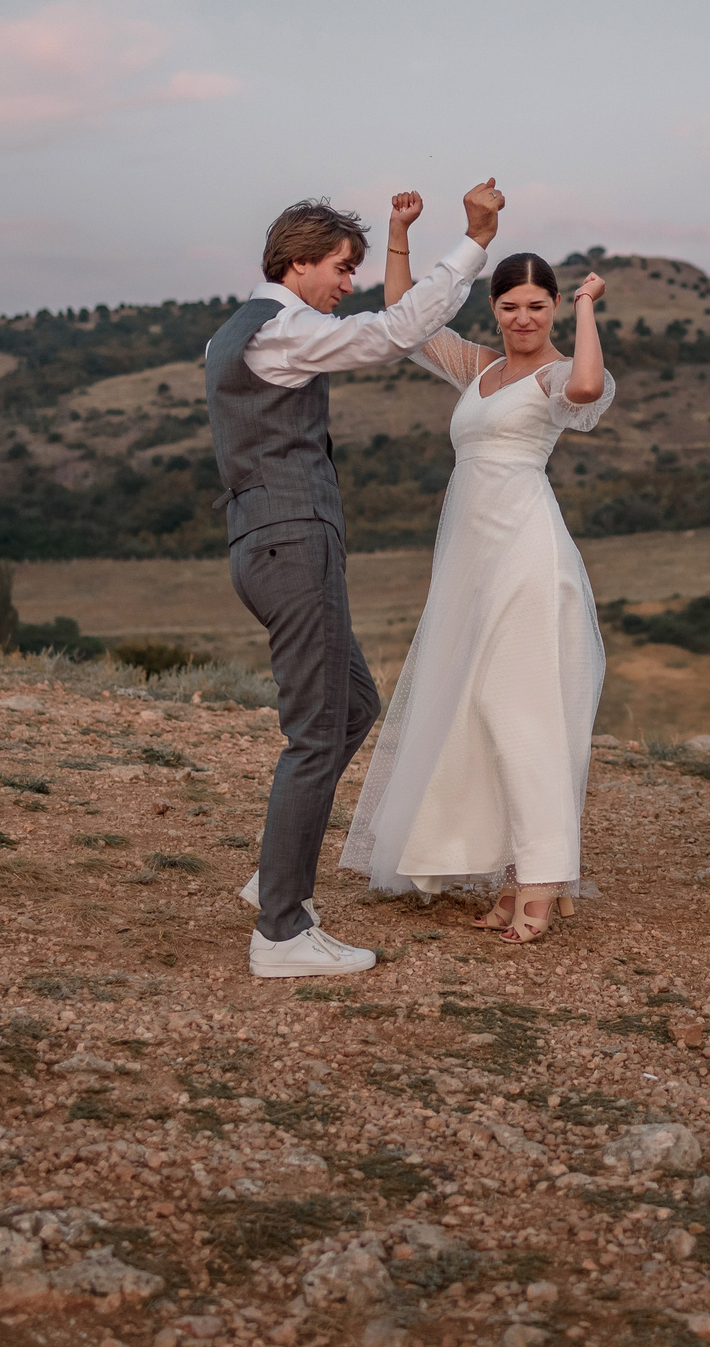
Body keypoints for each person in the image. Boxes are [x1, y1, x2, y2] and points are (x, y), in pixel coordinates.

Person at [207, 180, 505, 978]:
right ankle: (280, 933)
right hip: (292, 543)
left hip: (266, 541)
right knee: (313, 734)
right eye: (341, 267)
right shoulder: (283, 331)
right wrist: (474, 240)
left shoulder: (234, 332)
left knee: (354, 706)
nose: (347, 283)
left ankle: (279, 876)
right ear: (297, 263)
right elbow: (396, 330)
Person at [339, 251, 614, 944]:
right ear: (494, 309)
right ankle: (514, 873)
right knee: (476, 711)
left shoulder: (555, 373)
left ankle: (544, 880)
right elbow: (407, 319)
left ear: (552, 308)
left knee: (514, 707)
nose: (523, 318)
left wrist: (586, 308)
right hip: (473, 562)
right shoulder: (479, 369)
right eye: (510, 306)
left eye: (537, 305)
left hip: (527, 552)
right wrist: (400, 237)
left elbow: (585, 387)